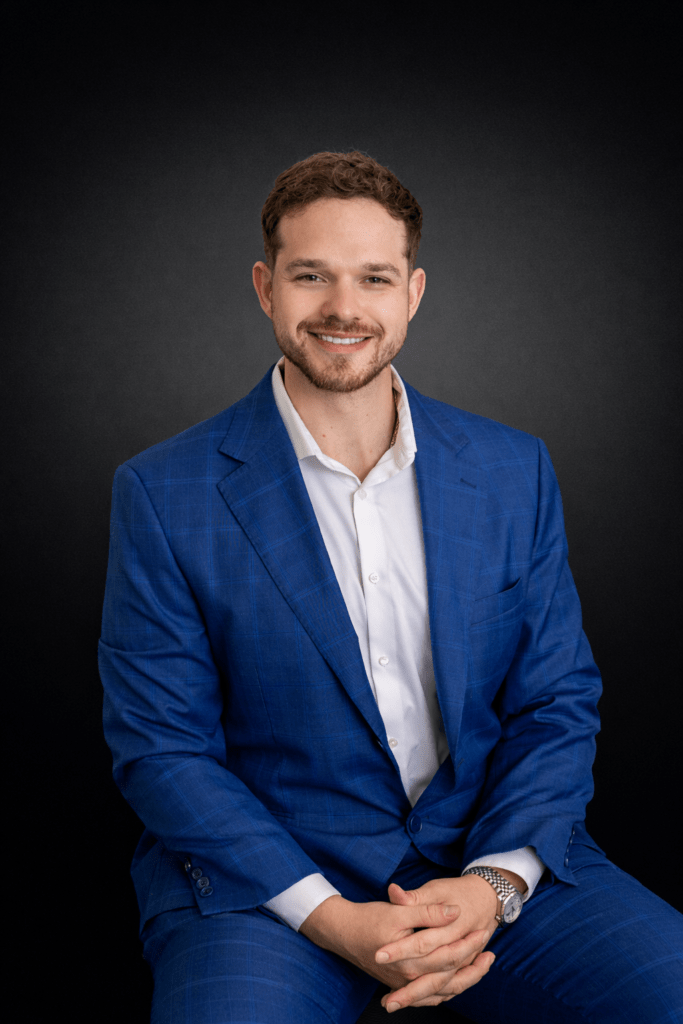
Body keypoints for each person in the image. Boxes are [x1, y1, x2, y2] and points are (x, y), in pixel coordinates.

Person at [99, 150, 683, 1023]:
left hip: (490, 861)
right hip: (270, 890)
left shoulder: (511, 468)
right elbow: (162, 748)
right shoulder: (163, 491)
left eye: (373, 277)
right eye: (311, 276)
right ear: (266, 288)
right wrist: (333, 919)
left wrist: (491, 887)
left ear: (411, 293)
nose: (342, 307)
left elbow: (555, 701)